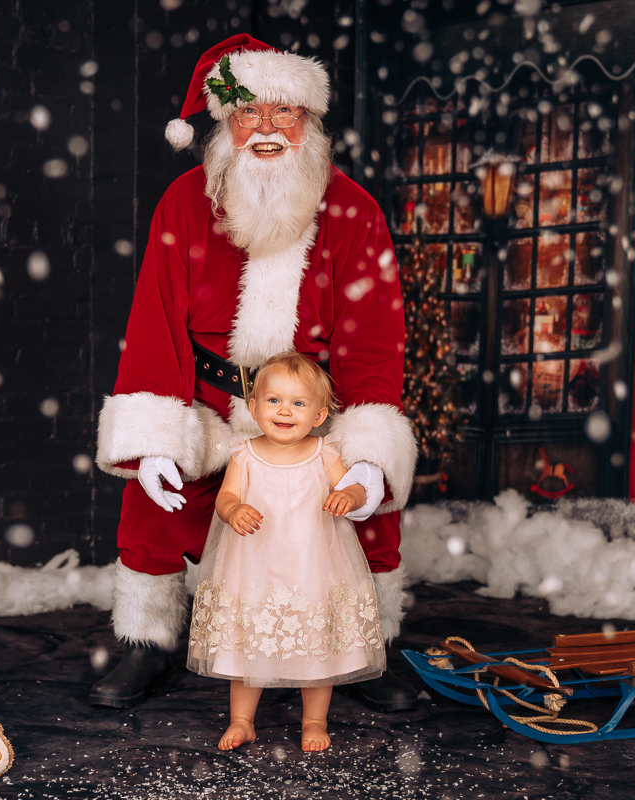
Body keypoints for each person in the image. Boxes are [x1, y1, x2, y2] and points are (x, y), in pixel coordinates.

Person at [92, 33, 417, 713]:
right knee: (154, 505)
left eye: (283, 114)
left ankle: (367, 645)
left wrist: (366, 454)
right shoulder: (185, 202)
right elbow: (156, 319)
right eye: (248, 115)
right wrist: (155, 435)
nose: (266, 130)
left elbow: (374, 338)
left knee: (364, 519)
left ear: (309, 120)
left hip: (314, 410)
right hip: (212, 399)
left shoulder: (353, 211)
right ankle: (149, 642)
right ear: (224, 122)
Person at [186, 352, 385, 752]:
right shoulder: (244, 455)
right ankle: (242, 720)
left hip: (313, 566)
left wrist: (349, 494)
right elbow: (226, 498)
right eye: (274, 401)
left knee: (317, 643)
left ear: (318, 415)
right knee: (246, 643)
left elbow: (357, 487)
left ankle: (314, 720)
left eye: (298, 403)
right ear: (254, 407)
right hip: (254, 568)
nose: (284, 411)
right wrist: (234, 510)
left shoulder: (324, 452)